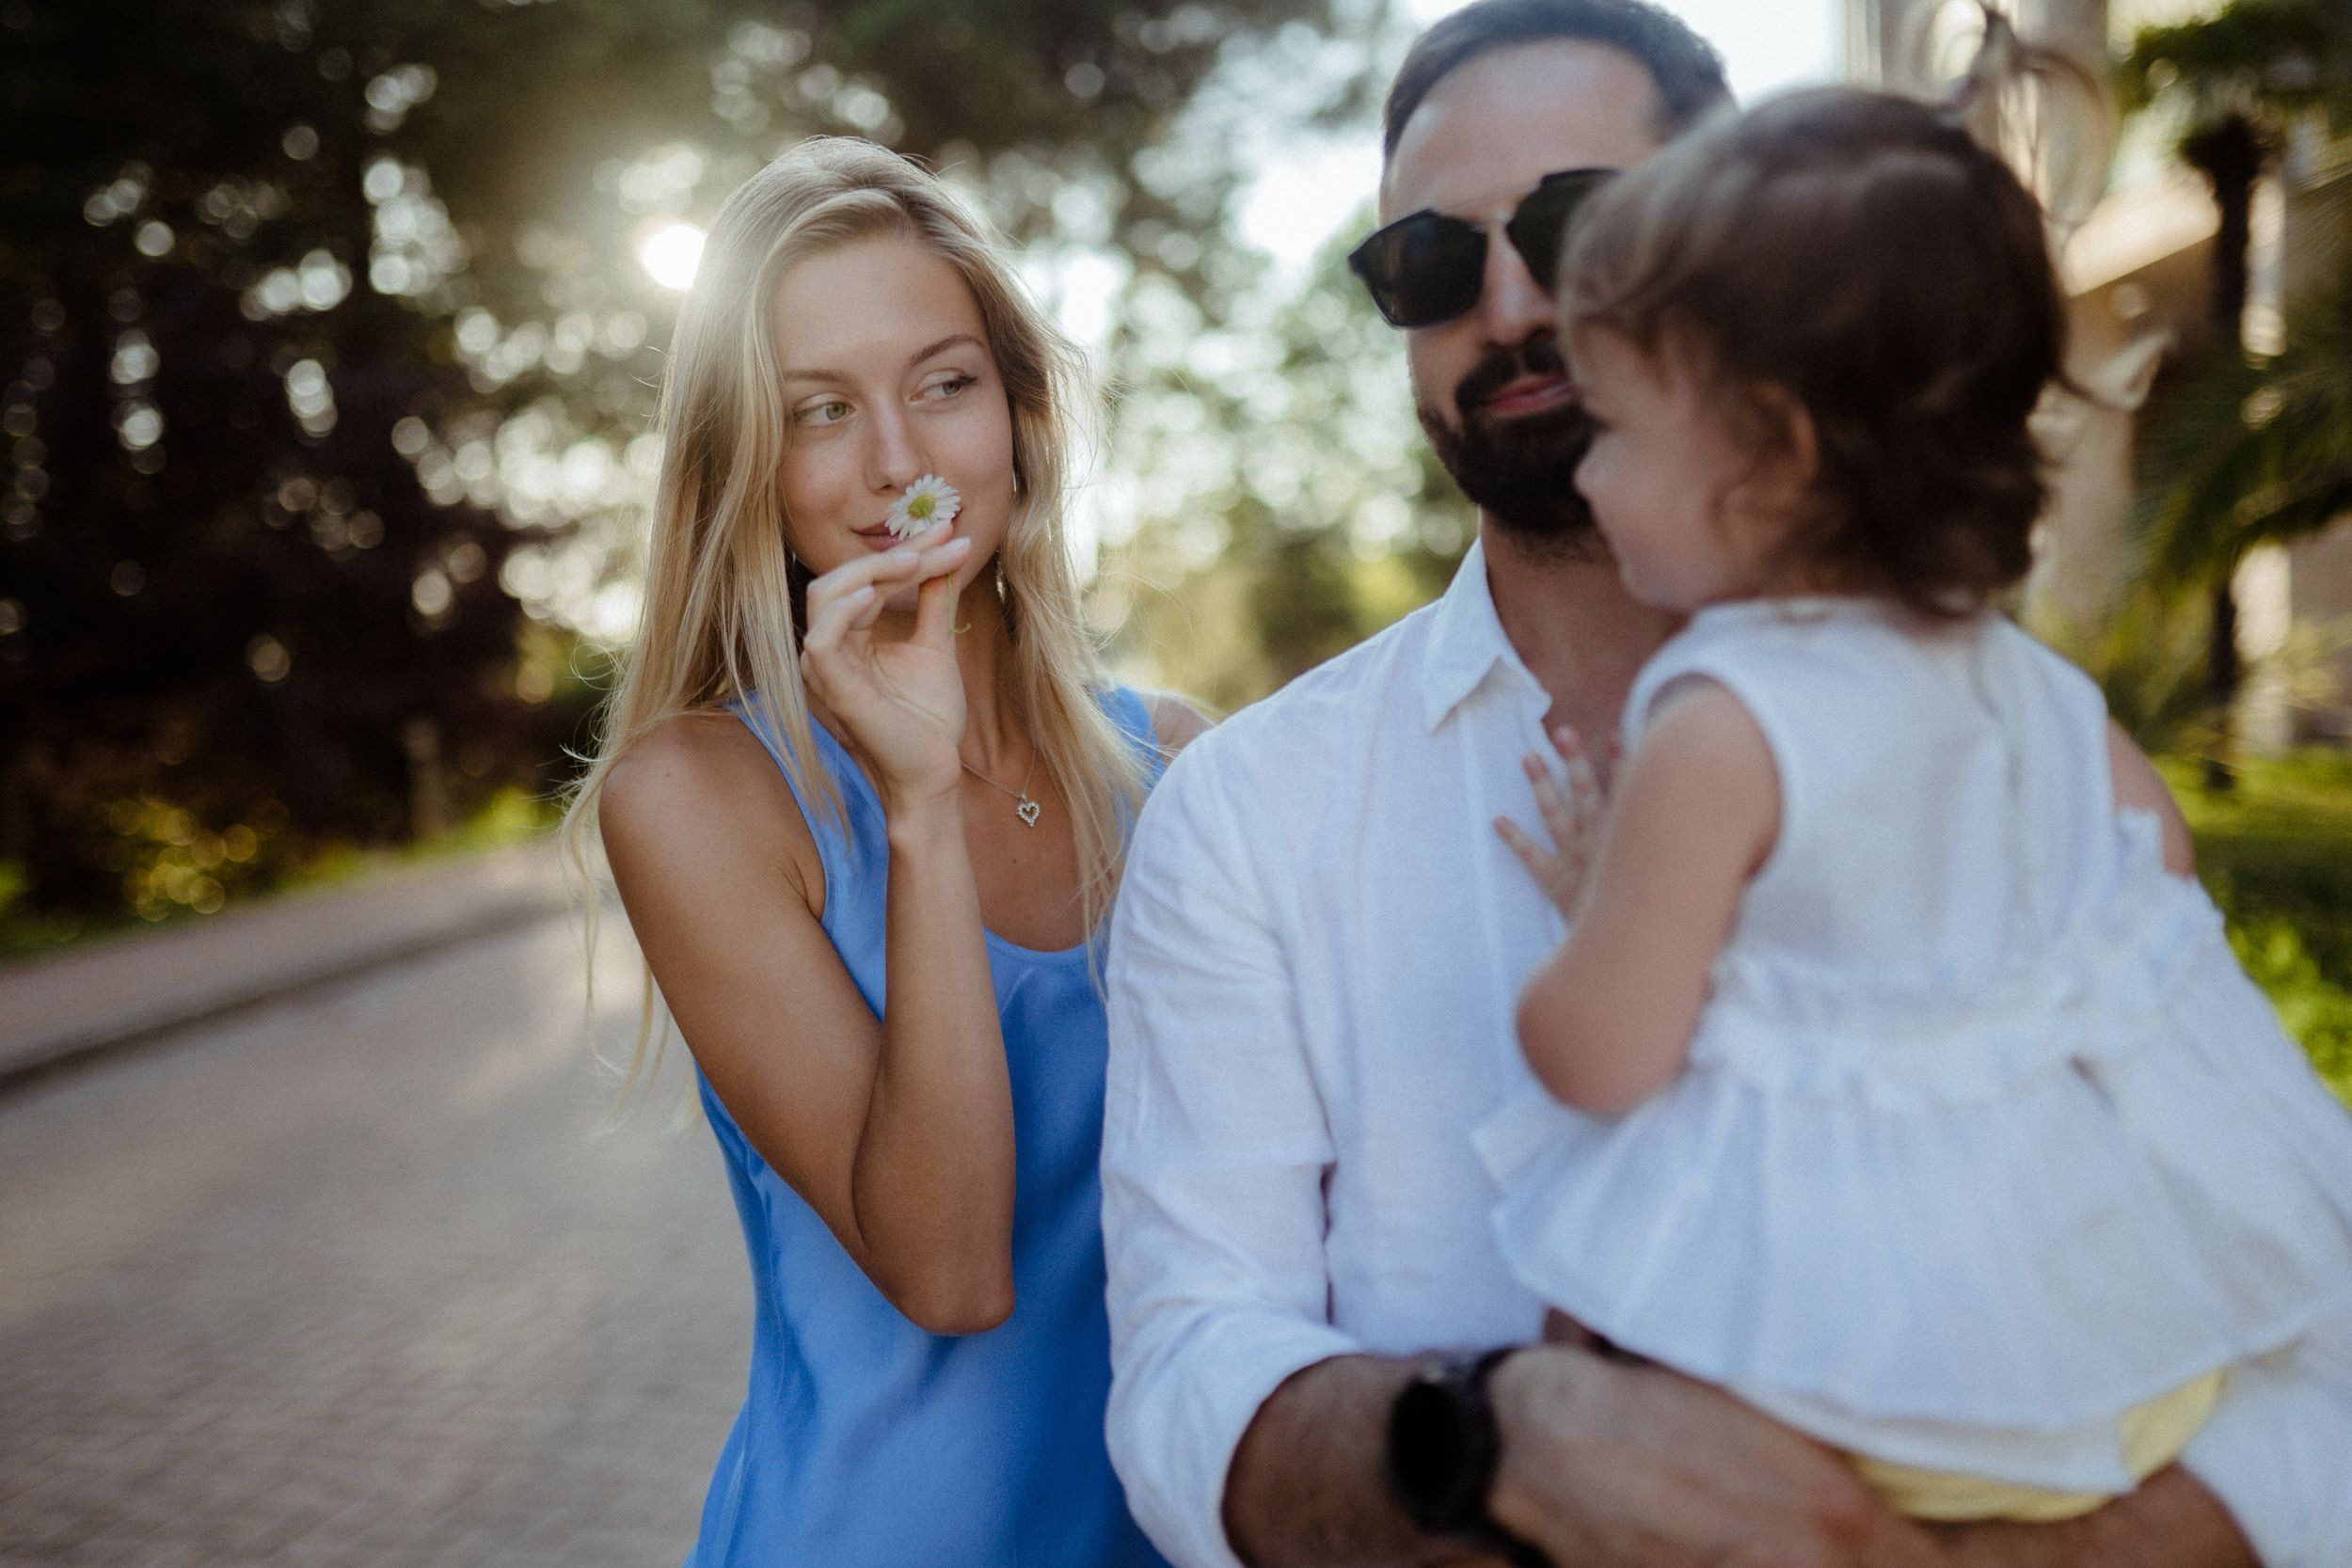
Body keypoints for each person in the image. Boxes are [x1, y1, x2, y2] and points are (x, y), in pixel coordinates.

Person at [1100, 3, 2352, 1566]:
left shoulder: (1997, 725)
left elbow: (2307, 1333)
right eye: (1426, 259)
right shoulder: (1248, 818)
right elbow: (1190, 1369)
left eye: (1587, 227)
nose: (1508, 300)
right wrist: (1492, 1448)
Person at [1484, 71, 2352, 1528]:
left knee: (1575, 1345)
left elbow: (1599, 1060)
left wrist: (1592, 913)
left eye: (1619, 427)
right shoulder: (2014, 675)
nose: (1592, 466)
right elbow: (2162, 856)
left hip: (1835, 1384)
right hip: (2106, 1355)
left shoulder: (1722, 719)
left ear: (1771, 451)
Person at [566, 136, 1199, 1567]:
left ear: (1022, 416)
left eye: (944, 384)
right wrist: (916, 805)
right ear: (750, 462)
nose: (899, 463)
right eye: (821, 411)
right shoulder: (695, 797)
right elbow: (953, 1269)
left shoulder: (1182, 764)